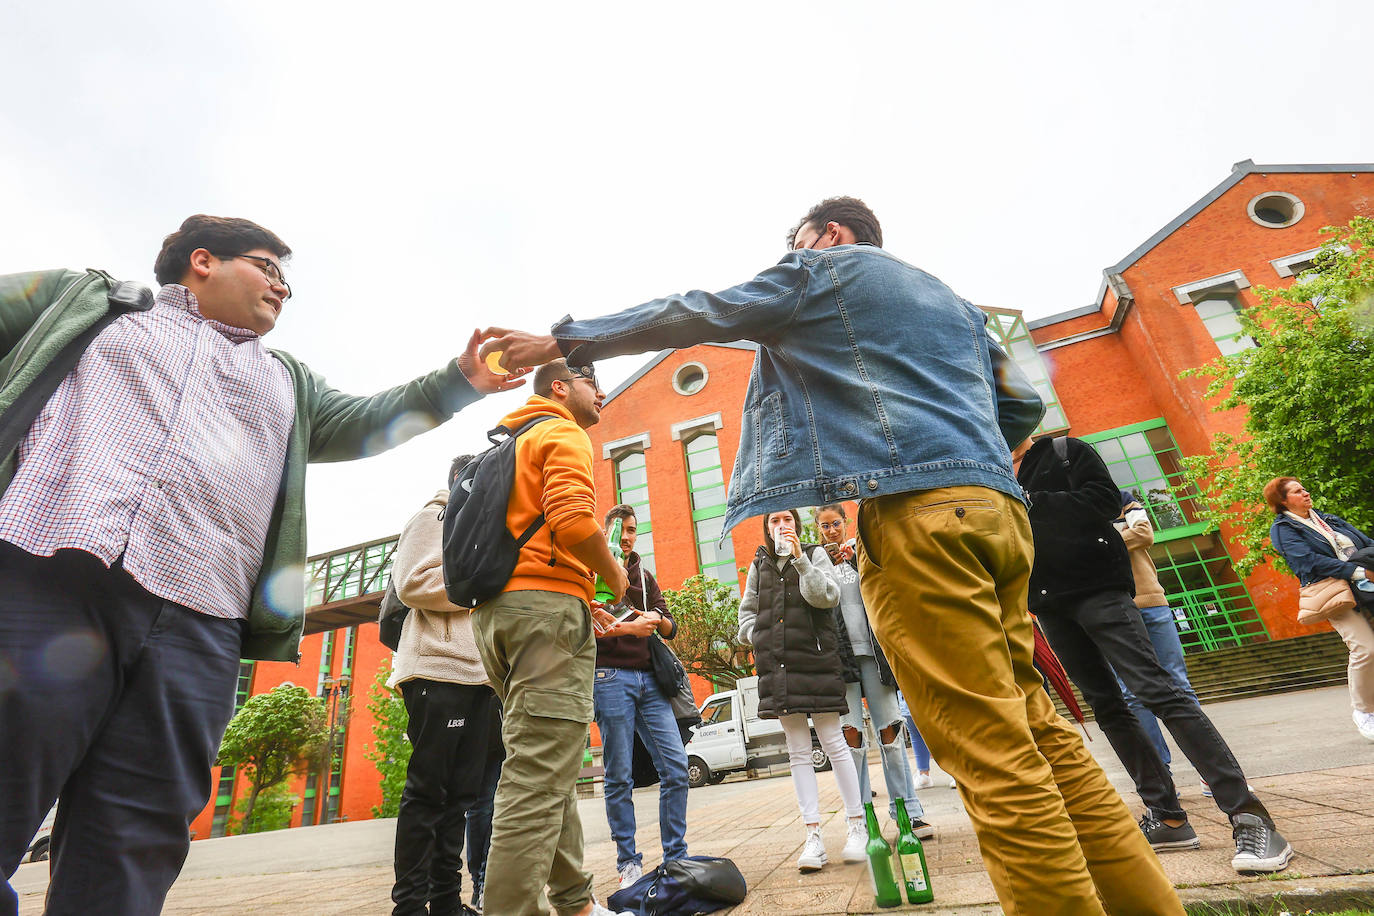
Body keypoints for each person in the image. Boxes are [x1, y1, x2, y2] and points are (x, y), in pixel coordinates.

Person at [478, 196, 1184, 915]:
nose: (795, 255)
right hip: (999, 514)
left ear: (833, 234)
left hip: (920, 520)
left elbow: (701, 309)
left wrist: (566, 340)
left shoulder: (823, 273)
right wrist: (961, 449)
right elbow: (1023, 407)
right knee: (1041, 730)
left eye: (800, 242)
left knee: (991, 753)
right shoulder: (951, 300)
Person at [0, 216, 523, 915]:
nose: (282, 284)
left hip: (200, 621)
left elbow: (372, 418)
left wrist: (460, 379)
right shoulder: (90, 305)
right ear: (202, 260)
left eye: (287, 276)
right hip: (49, 572)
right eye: (267, 266)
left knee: (136, 833)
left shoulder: (286, 381)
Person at [1014, 435, 1293, 875]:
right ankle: (1166, 818)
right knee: (1108, 707)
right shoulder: (989, 470)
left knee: (1159, 692)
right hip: (1048, 602)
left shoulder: (1064, 452)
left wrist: (1032, 500)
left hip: (1099, 588)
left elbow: (1104, 500)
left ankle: (1250, 816)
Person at [467, 358, 632, 916]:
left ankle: (574, 903)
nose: (602, 391)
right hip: (543, 612)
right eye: (592, 382)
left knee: (547, 760)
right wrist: (614, 575)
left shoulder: (510, 443)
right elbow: (572, 521)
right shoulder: (561, 430)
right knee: (539, 774)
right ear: (560, 387)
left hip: (498, 614)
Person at [387, 454, 504, 916]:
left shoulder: (484, 530)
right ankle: (410, 906)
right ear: (460, 480)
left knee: (460, 798)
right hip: (436, 670)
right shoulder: (432, 516)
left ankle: (446, 901)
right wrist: (482, 581)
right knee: (426, 792)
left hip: (479, 677)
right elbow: (411, 583)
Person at [737, 509, 866, 873]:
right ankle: (813, 837)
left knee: (834, 743)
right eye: (775, 521)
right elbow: (746, 614)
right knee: (797, 751)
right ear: (767, 528)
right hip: (777, 666)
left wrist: (800, 561)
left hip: (816, 662)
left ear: (797, 524)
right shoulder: (758, 564)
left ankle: (857, 826)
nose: (782, 526)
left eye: (787, 520)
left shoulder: (814, 554)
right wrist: (756, 635)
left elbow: (827, 597)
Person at [813, 504, 933, 839]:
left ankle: (909, 812)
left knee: (891, 733)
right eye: (825, 527)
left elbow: (888, 584)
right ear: (818, 529)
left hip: (875, 658)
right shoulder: (815, 563)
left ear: (845, 522)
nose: (832, 531)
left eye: (836, 524)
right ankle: (862, 818)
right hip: (841, 663)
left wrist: (856, 561)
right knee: (851, 739)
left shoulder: (861, 551)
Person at [591, 503, 690, 888]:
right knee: (619, 774)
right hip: (609, 676)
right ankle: (628, 862)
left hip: (650, 679)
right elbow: (589, 624)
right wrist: (629, 628)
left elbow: (670, 625)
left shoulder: (644, 577)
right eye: (619, 529)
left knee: (676, 768)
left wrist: (656, 620)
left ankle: (676, 856)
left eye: (632, 529)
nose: (627, 535)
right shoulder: (593, 570)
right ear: (607, 533)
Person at [1266, 477, 1374, 742]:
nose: (1305, 492)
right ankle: (1363, 711)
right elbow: (1309, 562)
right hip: (1335, 594)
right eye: (1296, 491)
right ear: (1282, 501)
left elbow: (1365, 541)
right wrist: (1359, 570)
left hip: (1366, 588)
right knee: (1365, 648)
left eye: (1303, 488)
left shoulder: (1328, 519)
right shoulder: (1283, 529)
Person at [1112, 491, 1203, 780]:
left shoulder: (1123, 499)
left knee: (1179, 684)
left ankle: (1210, 772)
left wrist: (1098, 545)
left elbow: (1144, 534)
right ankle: (1161, 776)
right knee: (1131, 694)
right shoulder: (1072, 509)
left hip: (1151, 601)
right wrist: (1118, 537)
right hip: (1111, 610)